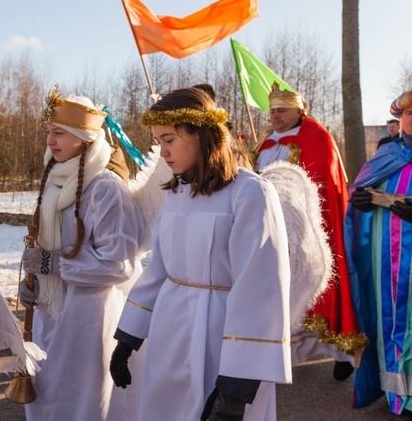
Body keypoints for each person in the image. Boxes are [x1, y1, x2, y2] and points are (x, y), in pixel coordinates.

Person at [110, 87, 292, 421]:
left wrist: (236, 388)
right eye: (158, 142)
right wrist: (128, 339)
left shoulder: (250, 193)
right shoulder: (178, 192)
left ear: (202, 135)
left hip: (222, 340)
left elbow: (261, 291)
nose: (162, 152)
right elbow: (159, 271)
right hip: (170, 335)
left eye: (168, 140)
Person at [18, 88, 145, 420]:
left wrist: (56, 265)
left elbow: (119, 263)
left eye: (59, 133)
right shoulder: (56, 180)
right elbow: (45, 246)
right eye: (48, 132)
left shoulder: (106, 188)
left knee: (81, 400)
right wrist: (36, 280)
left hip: (90, 314)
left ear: (84, 137)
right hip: (51, 311)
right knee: (46, 398)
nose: (50, 140)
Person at [253, 86, 365, 379]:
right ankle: (281, 355)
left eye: (282, 110)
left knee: (317, 288)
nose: (275, 115)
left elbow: (325, 187)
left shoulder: (317, 138)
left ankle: (339, 353)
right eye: (272, 110)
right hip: (272, 229)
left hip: (306, 228)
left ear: (298, 111)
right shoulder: (264, 143)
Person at [346, 91, 412, 417]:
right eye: (409, 114)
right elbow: (360, 197)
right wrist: (359, 205)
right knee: (391, 324)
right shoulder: (386, 156)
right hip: (386, 263)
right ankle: (398, 397)